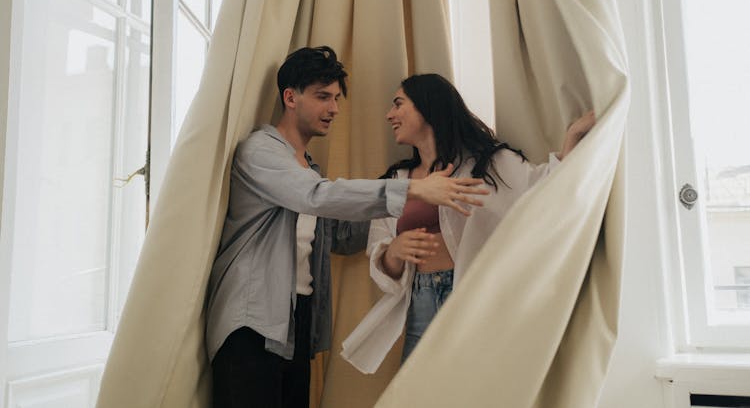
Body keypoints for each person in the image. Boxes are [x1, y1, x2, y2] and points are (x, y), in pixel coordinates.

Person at [205, 48, 489, 408]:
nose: (334, 109)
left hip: (297, 321)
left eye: (336, 98)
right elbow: (316, 196)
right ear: (290, 98)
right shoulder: (259, 151)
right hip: (252, 320)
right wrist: (413, 189)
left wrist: (401, 226)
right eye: (323, 97)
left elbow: (343, 234)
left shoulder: (308, 166)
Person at [341, 73, 595, 373]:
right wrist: (394, 251)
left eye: (398, 104)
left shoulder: (487, 165)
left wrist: (573, 137)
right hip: (420, 301)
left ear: (428, 106)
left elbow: (547, 192)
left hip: (469, 299)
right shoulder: (397, 182)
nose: (389, 114)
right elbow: (383, 266)